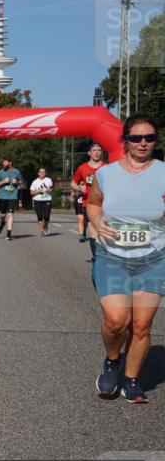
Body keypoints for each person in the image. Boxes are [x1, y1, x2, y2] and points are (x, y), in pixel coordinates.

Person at [87, 113, 165, 404]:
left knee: (142, 325)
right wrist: (96, 221)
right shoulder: (106, 174)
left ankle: (131, 381)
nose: (143, 143)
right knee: (117, 321)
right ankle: (112, 361)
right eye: (136, 138)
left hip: (153, 258)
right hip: (113, 256)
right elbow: (93, 203)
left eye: (149, 138)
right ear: (125, 141)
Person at [72, 143, 105, 243]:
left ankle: (102, 253)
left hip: (104, 203)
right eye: (94, 150)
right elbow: (73, 183)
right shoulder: (82, 168)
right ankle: (96, 256)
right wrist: (79, 188)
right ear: (89, 153)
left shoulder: (107, 166)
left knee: (102, 231)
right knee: (93, 229)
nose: (96, 152)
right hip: (89, 204)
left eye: (99, 150)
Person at [0, 157, 23, 241]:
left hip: (12, 196)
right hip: (2, 196)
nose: (3, 164)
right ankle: (2, 222)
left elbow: (21, 181)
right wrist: (3, 182)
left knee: (10, 213)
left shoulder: (16, 171)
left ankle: (9, 232)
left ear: (10, 163)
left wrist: (17, 182)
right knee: (3, 215)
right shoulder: (0, 172)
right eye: (3, 163)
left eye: (5, 163)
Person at [30, 167, 54, 237]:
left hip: (47, 199)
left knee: (46, 217)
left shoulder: (48, 180)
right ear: (38, 173)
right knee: (40, 216)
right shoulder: (35, 182)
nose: (42, 173)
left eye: (44, 172)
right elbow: (31, 193)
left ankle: (45, 227)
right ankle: (41, 231)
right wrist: (38, 191)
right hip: (37, 200)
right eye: (41, 172)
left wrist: (50, 190)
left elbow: (51, 187)